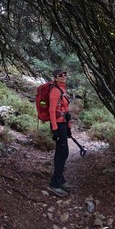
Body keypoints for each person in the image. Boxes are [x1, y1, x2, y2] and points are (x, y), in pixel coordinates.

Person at [48, 68, 72, 197]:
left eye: (65, 74)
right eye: (60, 75)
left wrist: (68, 127)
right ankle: (54, 183)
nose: (63, 76)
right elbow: (52, 110)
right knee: (63, 152)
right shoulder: (55, 90)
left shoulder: (63, 89)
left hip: (63, 124)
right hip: (58, 124)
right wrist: (55, 129)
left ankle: (60, 179)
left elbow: (65, 110)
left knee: (61, 152)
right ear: (55, 78)